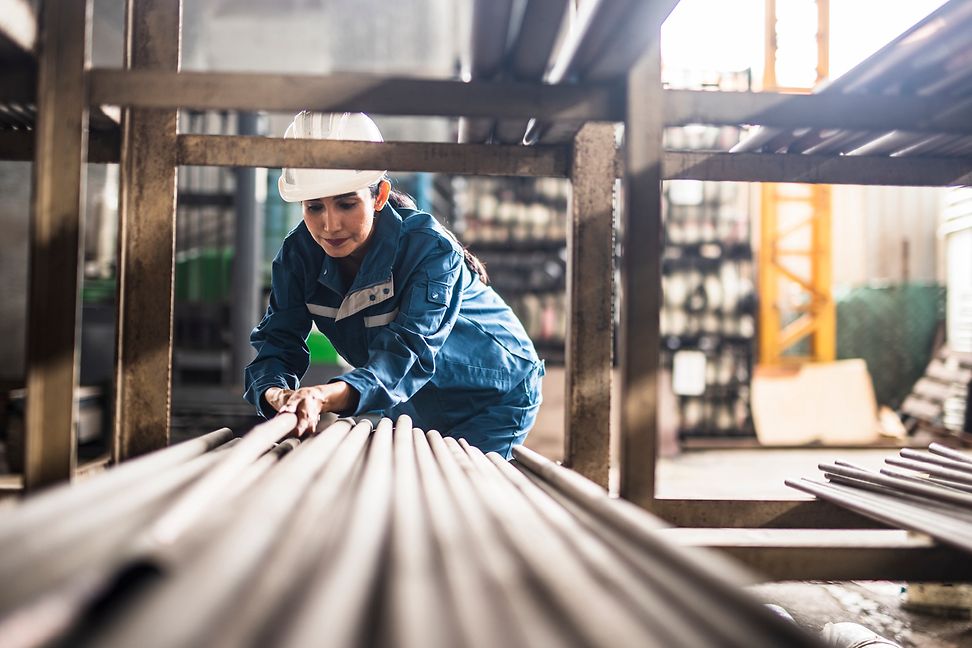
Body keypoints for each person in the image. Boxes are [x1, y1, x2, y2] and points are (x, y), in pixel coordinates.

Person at [244, 111, 544, 459]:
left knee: (456, 497)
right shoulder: (298, 258)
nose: (330, 225)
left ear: (379, 195)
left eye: (346, 203)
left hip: (494, 394)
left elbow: (407, 353)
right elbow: (277, 343)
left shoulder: (429, 249)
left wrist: (323, 397)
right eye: (314, 207)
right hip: (411, 398)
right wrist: (277, 395)